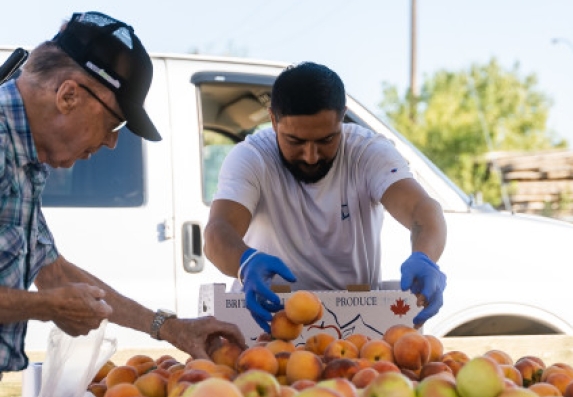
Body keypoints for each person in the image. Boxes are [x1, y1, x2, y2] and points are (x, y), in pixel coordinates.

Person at [0, 11, 245, 375]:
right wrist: (47, 307)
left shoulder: (25, 161)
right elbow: (54, 292)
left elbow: (54, 272)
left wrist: (171, 328)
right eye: (114, 123)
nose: (113, 142)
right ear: (68, 95)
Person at [204, 61, 447, 333]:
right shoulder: (251, 158)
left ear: (342, 117)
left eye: (326, 140)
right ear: (273, 120)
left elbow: (422, 209)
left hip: (357, 325)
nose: (311, 156)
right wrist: (244, 262)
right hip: (270, 321)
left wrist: (425, 257)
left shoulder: (367, 152)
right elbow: (218, 232)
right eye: (295, 141)